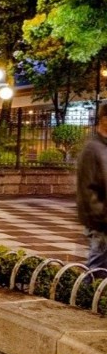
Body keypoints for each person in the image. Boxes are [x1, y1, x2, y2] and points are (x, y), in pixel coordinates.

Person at [76, 103, 107, 272]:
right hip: (101, 223)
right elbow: (87, 189)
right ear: (104, 120)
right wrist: (101, 217)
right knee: (98, 268)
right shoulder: (93, 149)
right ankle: (86, 297)